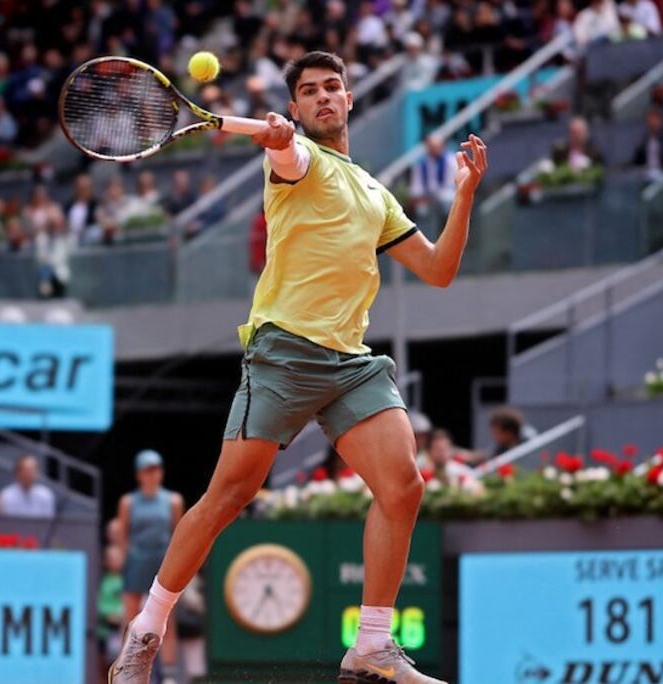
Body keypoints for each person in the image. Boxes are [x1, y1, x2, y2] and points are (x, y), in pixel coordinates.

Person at [109, 51, 485, 684]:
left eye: (332, 87)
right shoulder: (294, 161)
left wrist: (465, 194)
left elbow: (439, 270)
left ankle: (370, 646)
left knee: (404, 486)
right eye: (308, 91)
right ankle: (146, 629)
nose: (323, 97)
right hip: (285, 353)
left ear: (348, 98)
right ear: (293, 108)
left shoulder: (374, 191)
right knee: (228, 497)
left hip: (351, 364)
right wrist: (280, 144)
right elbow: (291, 157)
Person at [118, 450, 184, 682]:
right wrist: (124, 561)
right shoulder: (127, 503)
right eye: (147, 470)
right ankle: (126, 670)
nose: (152, 474)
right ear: (139, 475)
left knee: (167, 618)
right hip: (136, 562)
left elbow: (178, 535)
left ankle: (168, 675)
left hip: (162, 563)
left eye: (155, 469)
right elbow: (123, 536)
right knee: (129, 616)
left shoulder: (173, 501)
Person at [408, 134, 458, 223]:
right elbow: (416, 187)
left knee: (447, 201)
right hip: (427, 197)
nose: (434, 149)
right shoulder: (421, 164)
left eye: (436, 146)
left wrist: (434, 197)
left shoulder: (451, 161)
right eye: (431, 146)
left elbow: (451, 185)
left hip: (446, 196)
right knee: (421, 209)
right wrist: (419, 197)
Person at [99, 544, 126, 673]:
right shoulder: (105, 583)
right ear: (106, 561)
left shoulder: (129, 579)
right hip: (111, 632)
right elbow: (102, 608)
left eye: (118, 558)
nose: (116, 561)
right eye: (112, 558)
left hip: (131, 632)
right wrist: (115, 617)